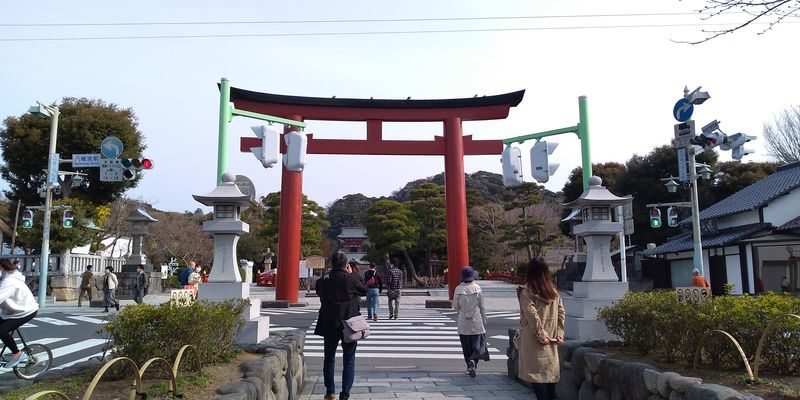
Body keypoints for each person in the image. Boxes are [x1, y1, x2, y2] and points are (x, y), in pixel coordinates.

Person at [314, 251, 367, 400]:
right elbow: (364, 290)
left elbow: (319, 292)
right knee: (349, 359)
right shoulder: (350, 279)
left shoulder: (324, 279)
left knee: (329, 358)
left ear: (331, 264)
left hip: (329, 322)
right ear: (346, 265)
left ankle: (330, 392)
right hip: (349, 324)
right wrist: (353, 275)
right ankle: (345, 394)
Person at [518, 257, 565, 400]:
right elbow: (561, 313)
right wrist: (559, 334)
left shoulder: (526, 292)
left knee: (538, 379)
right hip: (552, 338)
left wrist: (541, 335)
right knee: (550, 376)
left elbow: (532, 317)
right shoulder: (554, 292)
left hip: (535, 340)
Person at [0, 259, 39, 368]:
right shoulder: (5, 278)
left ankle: (17, 354)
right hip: (13, 310)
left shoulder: (9, 281)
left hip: (26, 311)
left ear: (3, 269)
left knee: (2, 331)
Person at [453, 266, 488, 378]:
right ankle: (473, 360)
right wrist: (484, 318)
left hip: (463, 321)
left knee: (466, 345)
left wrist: (462, 312)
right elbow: (482, 305)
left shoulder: (458, 289)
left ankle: (469, 364)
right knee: (478, 344)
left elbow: (455, 306)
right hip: (476, 320)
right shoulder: (477, 288)